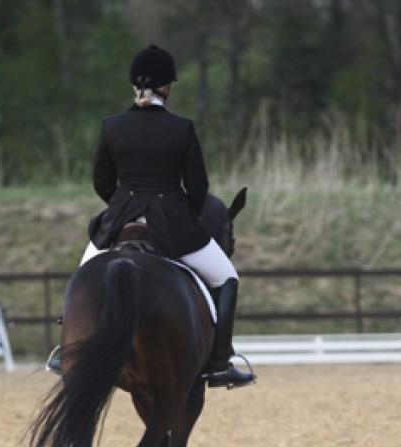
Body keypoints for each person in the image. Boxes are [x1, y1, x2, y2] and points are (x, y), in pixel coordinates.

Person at [50, 45, 253, 388]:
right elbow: (198, 188)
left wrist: (121, 206)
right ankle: (220, 364)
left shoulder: (112, 126)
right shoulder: (181, 127)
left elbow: (101, 181)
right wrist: (181, 213)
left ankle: (65, 352)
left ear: (134, 86)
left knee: (83, 280)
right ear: (167, 87)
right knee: (227, 278)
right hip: (171, 223)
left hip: (119, 220)